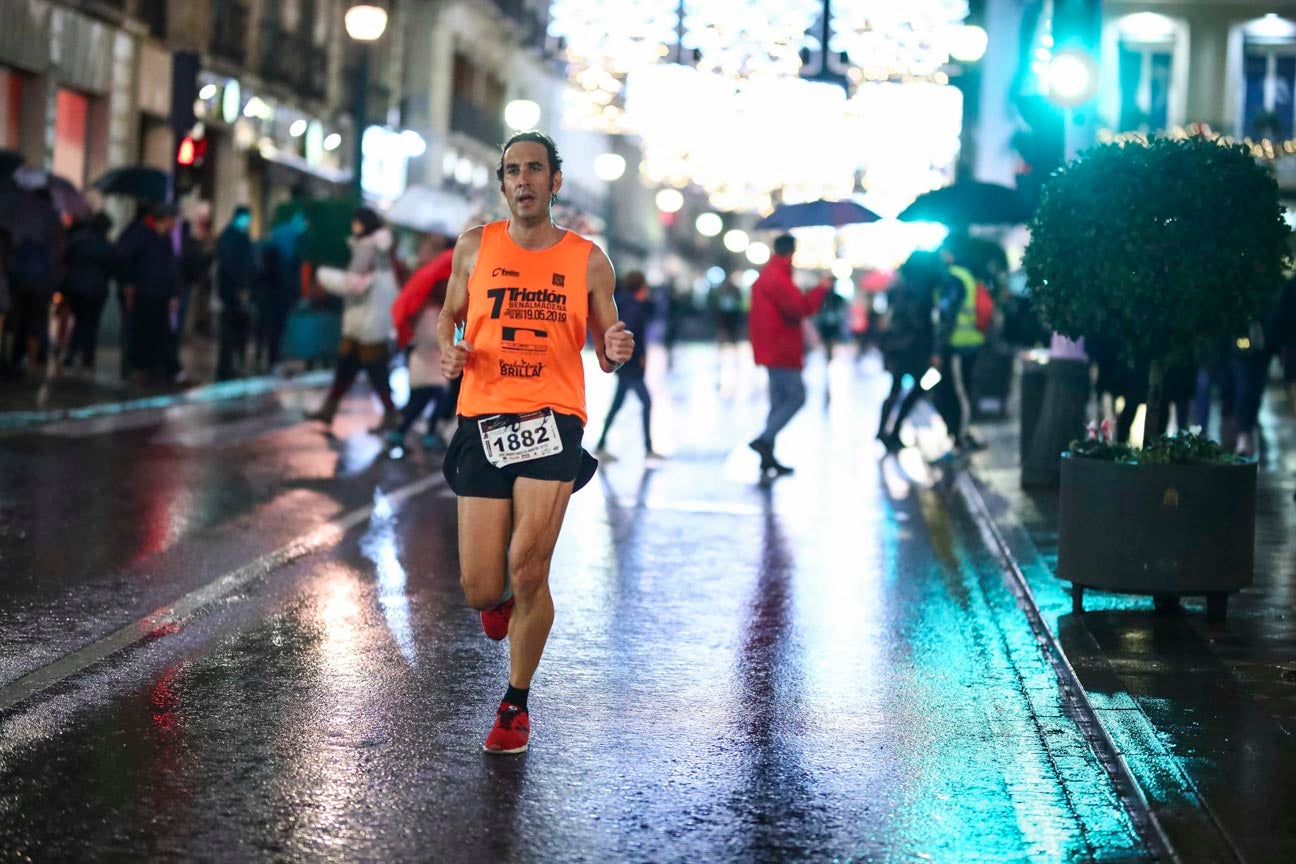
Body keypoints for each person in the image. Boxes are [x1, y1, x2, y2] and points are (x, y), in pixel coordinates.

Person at [436, 130, 633, 754]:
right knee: (477, 586)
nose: (523, 180)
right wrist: (449, 345)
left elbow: (609, 342)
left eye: (535, 170)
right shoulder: (475, 246)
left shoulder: (587, 258)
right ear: (502, 183)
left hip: (553, 422)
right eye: (513, 171)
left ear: (555, 181)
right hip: (483, 419)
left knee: (530, 567)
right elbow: (449, 314)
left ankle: (515, 705)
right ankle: (497, 600)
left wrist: (616, 348)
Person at [306, 207, 400, 430]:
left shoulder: (367, 247)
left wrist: (324, 276)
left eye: (356, 222)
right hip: (372, 320)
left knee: (375, 371)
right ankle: (330, 409)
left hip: (365, 322)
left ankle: (390, 414)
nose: (353, 226)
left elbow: (354, 284)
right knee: (347, 367)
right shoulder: (382, 249)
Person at [746, 233, 830, 478]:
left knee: (778, 402)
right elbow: (799, 308)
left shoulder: (770, 274)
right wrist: (821, 289)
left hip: (771, 348)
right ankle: (765, 440)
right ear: (791, 252)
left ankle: (767, 456)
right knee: (797, 397)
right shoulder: (777, 277)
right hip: (781, 349)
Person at [388, 232, 454, 449]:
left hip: (433, 366)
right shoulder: (429, 312)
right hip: (425, 364)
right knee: (419, 403)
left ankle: (419, 433)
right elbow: (431, 338)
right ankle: (402, 433)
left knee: (432, 401)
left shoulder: (438, 310)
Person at [876, 252, 943, 452]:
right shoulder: (923, 288)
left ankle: (884, 430)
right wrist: (933, 347)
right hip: (915, 347)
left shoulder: (899, 285)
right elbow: (921, 320)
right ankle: (893, 430)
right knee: (917, 389)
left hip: (898, 345)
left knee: (896, 389)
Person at [595, 270, 660, 460]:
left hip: (624, 364)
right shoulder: (633, 306)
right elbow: (629, 335)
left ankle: (601, 444)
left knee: (617, 405)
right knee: (646, 403)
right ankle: (648, 449)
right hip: (631, 365)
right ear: (641, 287)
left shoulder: (621, 302)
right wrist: (639, 356)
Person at [117, 202, 182, 384]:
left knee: (160, 334)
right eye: (172, 220)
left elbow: (171, 268)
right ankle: (139, 369)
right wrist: (128, 283)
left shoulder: (165, 240)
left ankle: (157, 370)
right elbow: (125, 258)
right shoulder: (141, 234)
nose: (174, 225)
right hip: (144, 293)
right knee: (140, 333)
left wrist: (174, 294)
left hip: (160, 294)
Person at [62, 212, 115, 370]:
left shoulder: (78, 240)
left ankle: (73, 353)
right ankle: (87, 356)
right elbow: (111, 267)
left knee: (79, 321)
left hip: (76, 287)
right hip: (96, 290)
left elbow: (67, 258)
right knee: (91, 323)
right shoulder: (106, 246)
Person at [258, 211, 307, 371]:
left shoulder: (280, 237)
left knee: (269, 326)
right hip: (279, 293)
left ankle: (266, 359)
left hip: (272, 292)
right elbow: (289, 272)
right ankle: (272, 360)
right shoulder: (288, 244)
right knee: (276, 327)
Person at [215, 206, 257, 380]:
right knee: (229, 332)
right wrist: (240, 288)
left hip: (240, 291)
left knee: (240, 331)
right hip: (232, 292)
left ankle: (235, 366)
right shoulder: (230, 237)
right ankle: (226, 369)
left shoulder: (241, 236)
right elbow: (229, 265)